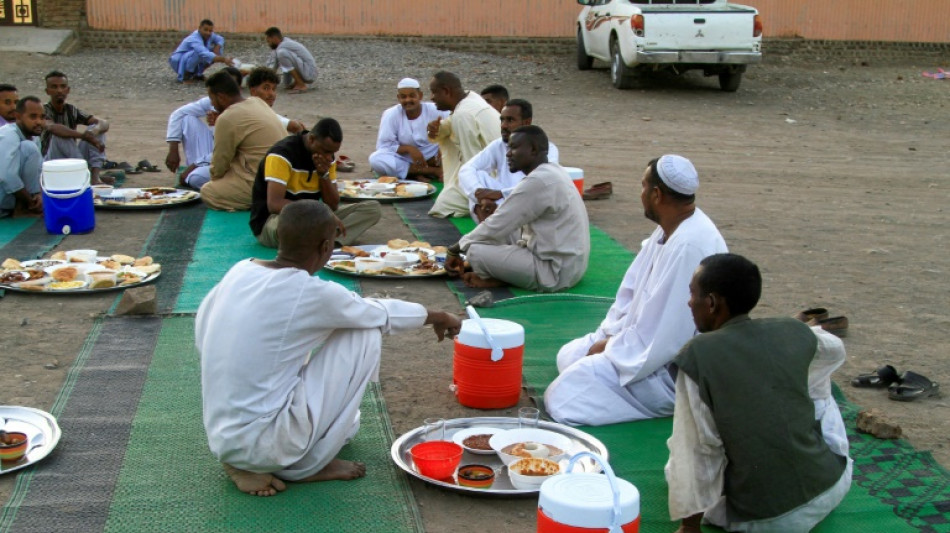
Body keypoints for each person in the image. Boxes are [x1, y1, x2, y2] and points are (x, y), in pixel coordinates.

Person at [197, 199, 461, 496]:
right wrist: (442, 316)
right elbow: (381, 313)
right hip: (266, 441)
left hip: (223, 436)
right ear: (326, 247)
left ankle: (243, 460)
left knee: (347, 425)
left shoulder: (240, 272)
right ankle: (309, 465)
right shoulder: (307, 291)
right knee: (365, 331)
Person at [666, 253, 852, 533]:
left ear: (713, 303)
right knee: (819, 390)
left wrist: (689, 526)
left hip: (765, 521)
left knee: (679, 458)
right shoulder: (793, 330)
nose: (689, 302)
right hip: (832, 486)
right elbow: (835, 349)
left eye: (693, 294)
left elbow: (697, 450)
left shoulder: (697, 356)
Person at [544, 154, 727, 426]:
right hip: (635, 345)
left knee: (562, 396)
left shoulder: (689, 244)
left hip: (668, 370)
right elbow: (630, 294)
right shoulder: (670, 229)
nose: (640, 193)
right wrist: (606, 336)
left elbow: (665, 338)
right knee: (568, 355)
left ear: (656, 194)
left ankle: (663, 403)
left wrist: (609, 349)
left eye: (642, 186)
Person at [445, 125, 588, 291]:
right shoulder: (552, 171)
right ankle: (504, 272)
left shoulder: (538, 182)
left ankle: (502, 277)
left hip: (554, 273)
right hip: (571, 266)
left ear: (533, 150)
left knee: (475, 251)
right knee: (499, 233)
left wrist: (455, 249)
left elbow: (497, 224)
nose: (508, 154)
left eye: (513, 148)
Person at [250, 118, 381, 248]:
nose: (329, 157)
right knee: (297, 226)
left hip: (312, 218)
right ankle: (324, 240)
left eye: (333, 153)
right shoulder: (281, 155)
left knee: (372, 209)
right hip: (275, 221)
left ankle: (324, 242)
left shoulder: (327, 158)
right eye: (326, 151)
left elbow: (333, 205)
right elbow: (275, 204)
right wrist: (319, 213)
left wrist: (323, 175)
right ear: (311, 139)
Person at [168, 67, 305, 188]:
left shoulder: (256, 110)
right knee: (187, 119)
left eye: (273, 89)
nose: (272, 94)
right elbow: (179, 114)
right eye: (266, 88)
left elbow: (293, 126)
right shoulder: (224, 105)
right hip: (221, 158)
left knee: (203, 184)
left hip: (249, 170)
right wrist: (173, 149)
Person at [458, 99, 560, 223]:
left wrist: (502, 193)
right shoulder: (499, 145)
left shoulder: (546, 149)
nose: (503, 126)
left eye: (510, 120)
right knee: (476, 177)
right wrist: (479, 194)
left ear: (526, 122)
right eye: (502, 120)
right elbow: (466, 169)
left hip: (527, 205)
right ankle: (487, 230)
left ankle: (488, 233)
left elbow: (541, 186)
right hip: (499, 204)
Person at [199, 71, 286, 211]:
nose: (212, 104)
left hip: (264, 184)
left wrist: (218, 181)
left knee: (208, 191)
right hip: (284, 179)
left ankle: (259, 202)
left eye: (212, 99)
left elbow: (219, 164)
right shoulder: (257, 102)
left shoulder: (226, 118)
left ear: (221, 97)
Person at [426, 71, 500, 218]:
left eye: (434, 93)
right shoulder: (470, 98)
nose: (432, 98)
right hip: (494, 167)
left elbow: (473, 160)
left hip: (493, 176)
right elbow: (449, 125)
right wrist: (437, 129)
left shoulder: (463, 114)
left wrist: (477, 192)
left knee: (442, 206)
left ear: (446, 91)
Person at [368, 77, 448, 181]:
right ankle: (432, 171)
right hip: (406, 158)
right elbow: (384, 146)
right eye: (403, 97)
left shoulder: (435, 109)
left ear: (420, 96)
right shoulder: (391, 114)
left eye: (412, 96)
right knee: (376, 159)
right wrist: (409, 149)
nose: (408, 100)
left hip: (433, 154)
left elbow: (455, 126)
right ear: (398, 98)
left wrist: (442, 146)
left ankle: (413, 173)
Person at [41, 71, 111, 185]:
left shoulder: (71, 110)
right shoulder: (43, 110)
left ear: (68, 90)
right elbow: (53, 128)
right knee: (62, 135)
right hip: (51, 160)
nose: (59, 90)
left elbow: (104, 123)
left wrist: (93, 132)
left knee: (96, 129)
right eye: (54, 87)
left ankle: (95, 176)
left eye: (62, 87)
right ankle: (84, 175)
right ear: (47, 91)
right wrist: (84, 136)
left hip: (73, 158)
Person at [0, 96, 45, 217]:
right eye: (33, 117)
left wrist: (38, 195)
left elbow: (38, 170)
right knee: (28, 148)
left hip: (8, 198)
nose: (39, 122)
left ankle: (28, 204)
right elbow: (6, 176)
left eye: (42, 117)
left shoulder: (34, 136)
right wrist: (30, 202)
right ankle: (24, 208)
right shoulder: (8, 134)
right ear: (18, 117)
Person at [264, 27, 317, 93]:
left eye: (269, 41)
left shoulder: (283, 46)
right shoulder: (282, 44)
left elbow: (272, 67)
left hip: (310, 73)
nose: (269, 44)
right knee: (287, 84)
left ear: (274, 38)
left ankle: (301, 85)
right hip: (305, 70)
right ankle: (297, 82)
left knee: (282, 54)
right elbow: (271, 66)